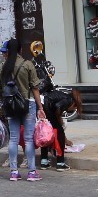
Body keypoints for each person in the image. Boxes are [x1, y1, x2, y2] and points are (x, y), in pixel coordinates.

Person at [0, 38, 42, 180]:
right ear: (20, 50)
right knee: (28, 139)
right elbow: (35, 88)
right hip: (28, 104)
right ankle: (31, 172)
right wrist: (40, 107)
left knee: (14, 139)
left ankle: (14, 172)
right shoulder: (27, 64)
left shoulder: (2, 67)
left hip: (10, 106)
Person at [32, 43, 70, 171]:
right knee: (57, 131)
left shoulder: (35, 68)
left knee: (44, 130)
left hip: (39, 105)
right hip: (46, 105)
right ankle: (60, 162)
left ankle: (44, 160)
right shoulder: (65, 97)